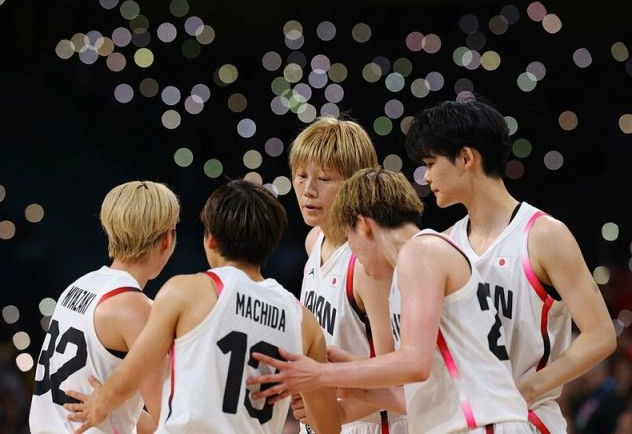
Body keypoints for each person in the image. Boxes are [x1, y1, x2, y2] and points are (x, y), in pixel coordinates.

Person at [247, 168, 532, 433]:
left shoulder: (422, 251)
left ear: (363, 225)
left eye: (348, 237)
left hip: (486, 425)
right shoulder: (412, 267)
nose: (353, 253)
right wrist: (343, 383)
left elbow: (414, 364)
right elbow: (420, 397)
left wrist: (321, 373)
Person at [405, 98, 617, 433]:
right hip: (466, 420)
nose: (427, 176)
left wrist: (528, 389)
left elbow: (601, 334)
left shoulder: (543, 235)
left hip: (526, 419)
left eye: (431, 163)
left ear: (466, 158)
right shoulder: (443, 245)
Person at [63, 179, 342, 434]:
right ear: (271, 244)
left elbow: (131, 374)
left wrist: (99, 405)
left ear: (210, 239)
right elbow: (329, 427)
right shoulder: (304, 322)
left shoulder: (187, 292)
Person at [29, 180, 180, 433]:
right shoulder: (138, 310)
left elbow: (124, 417)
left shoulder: (79, 285)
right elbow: (171, 420)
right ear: (167, 239)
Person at [289, 117, 406, 433]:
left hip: (370, 424)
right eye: (301, 176)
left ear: (355, 183)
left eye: (324, 178)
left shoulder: (369, 263)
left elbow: (397, 376)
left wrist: (339, 412)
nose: (309, 190)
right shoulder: (314, 241)